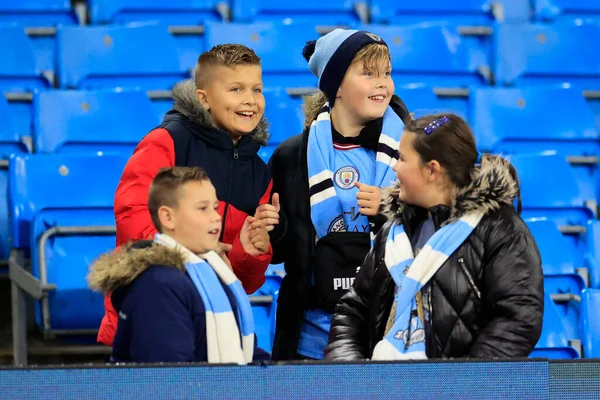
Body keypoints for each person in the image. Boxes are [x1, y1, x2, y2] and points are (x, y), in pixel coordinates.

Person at [97, 44, 280, 346]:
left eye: (257, 90)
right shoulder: (167, 141)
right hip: (151, 319)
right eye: (236, 89)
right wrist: (200, 257)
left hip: (216, 329)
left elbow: (243, 282)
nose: (250, 100)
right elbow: (135, 224)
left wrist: (250, 252)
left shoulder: (260, 174)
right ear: (203, 98)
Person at [325, 114, 544, 360]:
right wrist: (349, 372)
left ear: (432, 170)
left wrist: (462, 387)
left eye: (403, 159)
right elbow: (352, 310)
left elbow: (517, 319)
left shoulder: (501, 230)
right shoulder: (393, 231)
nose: (395, 167)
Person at [268, 29, 411, 360]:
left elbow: (438, 227)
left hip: (390, 332)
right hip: (310, 338)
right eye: (368, 73)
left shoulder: (411, 150)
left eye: (387, 73)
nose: (382, 83)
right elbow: (280, 251)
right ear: (336, 87)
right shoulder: (293, 155)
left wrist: (391, 207)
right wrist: (270, 233)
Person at [88, 167, 270, 363]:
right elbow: (170, 382)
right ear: (168, 217)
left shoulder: (216, 273)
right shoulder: (157, 286)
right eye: (203, 208)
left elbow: (246, 352)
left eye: (215, 207)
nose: (216, 216)